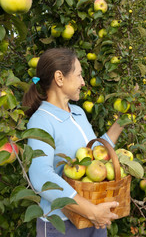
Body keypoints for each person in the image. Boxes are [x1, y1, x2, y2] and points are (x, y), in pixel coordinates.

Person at [23, 48, 124, 237]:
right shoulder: (42, 120)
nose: (83, 82)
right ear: (59, 78)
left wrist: (121, 123)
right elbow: (40, 176)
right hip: (63, 225)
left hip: (93, 218)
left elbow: (94, 155)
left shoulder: (78, 113)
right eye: (78, 75)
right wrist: (91, 211)